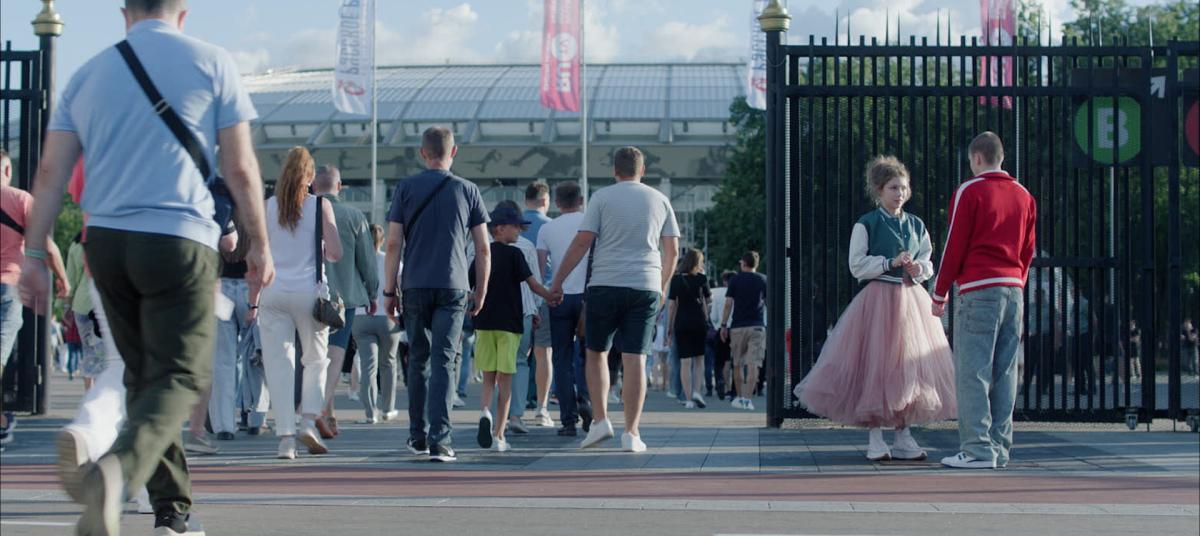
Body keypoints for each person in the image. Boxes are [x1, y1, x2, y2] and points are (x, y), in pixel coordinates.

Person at [18, 1, 276, 532]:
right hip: (179, 238)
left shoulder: (88, 74)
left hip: (106, 242)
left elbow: (49, 171)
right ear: (182, 12)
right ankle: (115, 474)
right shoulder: (212, 62)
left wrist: (36, 254)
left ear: (124, 12)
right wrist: (260, 245)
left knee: (143, 379)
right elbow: (239, 167)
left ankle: (171, 510)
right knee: (183, 373)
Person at [794, 156, 956, 461]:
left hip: (911, 300)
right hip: (879, 299)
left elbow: (928, 261)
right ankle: (875, 436)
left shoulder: (916, 224)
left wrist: (918, 268)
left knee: (908, 367)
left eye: (903, 187)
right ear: (879, 190)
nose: (900, 193)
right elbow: (856, 264)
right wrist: (888, 263)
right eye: (893, 188)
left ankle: (903, 435)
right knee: (876, 365)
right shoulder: (867, 223)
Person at [549, 146, 680, 453]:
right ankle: (632, 433)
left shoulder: (602, 197)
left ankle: (600, 421)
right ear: (642, 170)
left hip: (605, 283)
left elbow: (582, 242)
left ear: (615, 170)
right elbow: (672, 250)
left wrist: (557, 282)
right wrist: (662, 285)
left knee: (596, 353)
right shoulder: (660, 199)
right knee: (636, 358)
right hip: (645, 285)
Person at [383, 126, 490, 463]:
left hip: (414, 284)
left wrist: (389, 290)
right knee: (445, 359)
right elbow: (483, 248)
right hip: (454, 285)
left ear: (422, 152)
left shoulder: (405, 188)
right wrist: (481, 289)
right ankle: (440, 441)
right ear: (453, 151)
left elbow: (393, 243)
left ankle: (417, 435)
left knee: (417, 359)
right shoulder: (468, 189)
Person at [932, 132, 1037, 470]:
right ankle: (999, 447)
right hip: (1013, 289)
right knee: (1005, 371)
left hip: (978, 288)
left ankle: (977, 449)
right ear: (1000, 157)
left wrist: (939, 292)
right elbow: (1028, 250)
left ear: (977, 158)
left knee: (972, 370)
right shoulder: (1024, 195)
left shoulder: (970, 190)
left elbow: (955, 244)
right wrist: (1017, 282)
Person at [251, 146, 341, 460]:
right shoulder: (320, 206)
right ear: (311, 177)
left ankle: (286, 439)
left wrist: (253, 299)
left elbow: (255, 256)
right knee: (315, 360)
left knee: (279, 365)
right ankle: (308, 421)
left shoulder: (267, 207)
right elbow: (335, 253)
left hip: (273, 293)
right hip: (309, 293)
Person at [1, 149, 70, 450]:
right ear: (7, 171)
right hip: (8, 287)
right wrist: (63, 280)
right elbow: (47, 247)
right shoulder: (20, 199)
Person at [471, 205, 555, 452]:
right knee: (506, 380)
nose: (519, 230)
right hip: (510, 325)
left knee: (488, 377)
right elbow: (534, 285)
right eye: (515, 226)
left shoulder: (482, 253)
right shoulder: (516, 254)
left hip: (484, 323)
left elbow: (471, 285)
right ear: (499, 228)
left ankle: (485, 412)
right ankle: (499, 435)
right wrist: (551, 297)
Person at [313, 164, 379, 438]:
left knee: (313, 354)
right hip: (345, 296)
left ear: (313, 185)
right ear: (339, 186)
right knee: (335, 352)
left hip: (309, 294)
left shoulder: (304, 212)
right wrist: (373, 293)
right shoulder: (354, 216)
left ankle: (327, 413)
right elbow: (367, 260)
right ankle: (319, 409)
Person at [536, 181, 592, 435]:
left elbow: (541, 270)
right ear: (581, 200)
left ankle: (568, 419)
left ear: (557, 203)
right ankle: (587, 400)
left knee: (561, 358)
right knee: (590, 354)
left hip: (558, 297)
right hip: (587, 298)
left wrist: (545, 294)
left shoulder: (547, 229)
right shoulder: (591, 223)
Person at [209, 216, 269, 440]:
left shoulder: (217, 205)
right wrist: (256, 302)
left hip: (220, 286)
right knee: (256, 355)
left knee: (222, 360)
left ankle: (224, 425)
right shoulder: (257, 209)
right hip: (251, 285)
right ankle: (257, 419)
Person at [493, 200, 541, 435]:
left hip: (490, 313)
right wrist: (536, 309)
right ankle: (515, 415)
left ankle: (493, 415)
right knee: (520, 362)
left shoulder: (479, 244)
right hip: (522, 311)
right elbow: (535, 282)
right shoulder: (527, 246)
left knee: (492, 366)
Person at [353, 224, 402, 423]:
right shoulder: (392, 260)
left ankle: (370, 413)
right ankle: (388, 409)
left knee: (368, 366)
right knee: (388, 363)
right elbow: (401, 286)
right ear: (382, 240)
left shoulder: (356, 262)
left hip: (361, 317)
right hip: (388, 318)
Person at [522, 181, 557, 426]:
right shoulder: (551, 227)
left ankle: (513, 408)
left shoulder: (515, 225)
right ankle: (542, 408)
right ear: (545, 201)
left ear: (526, 200)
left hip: (517, 297)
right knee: (544, 352)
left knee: (516, 354)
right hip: (544, 294)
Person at [719, 251, 767, 411]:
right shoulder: (763, 280)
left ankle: (739, 397)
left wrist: (723, 325)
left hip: (738, 327)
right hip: (757, 326)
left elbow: (728, 304)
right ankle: (748, 399)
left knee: (737, 363)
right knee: (753, 364)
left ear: (744, 263)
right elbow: (769, 303)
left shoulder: (735, 280)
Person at [668, 249, 711, 409]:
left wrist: (670, 327)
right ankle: (697, 392)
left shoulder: (676, 280)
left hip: (682, 323)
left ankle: (688, 399)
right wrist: (706, 317)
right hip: (699, 322)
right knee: (699, 360)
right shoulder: (702, 278)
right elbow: (708, 301)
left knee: (685, 362)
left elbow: (672, 306)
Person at [707, 271, 735, 400]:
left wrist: (718, 324)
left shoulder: (717, 294)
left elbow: (713, 316)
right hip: (735, 329)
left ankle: (721, 381)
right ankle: (731, 388)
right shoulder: (738, 293)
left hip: (721, 329)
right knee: (732, 361)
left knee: (720, 360)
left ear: (724, 281)